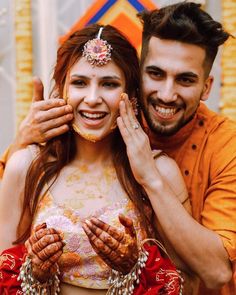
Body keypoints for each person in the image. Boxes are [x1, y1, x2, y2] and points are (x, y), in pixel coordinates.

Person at [0, 24, 190, 294]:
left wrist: (135, 266)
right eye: (79, 83)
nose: (92, 99)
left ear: (132, 96)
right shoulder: (26, 165)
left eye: (109, 84)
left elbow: (187, 284)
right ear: (61, 90)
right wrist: (36, 272)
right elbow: (3, 274)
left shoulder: (160, 171)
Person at [137, 2, 235, 295]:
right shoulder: (106, 121)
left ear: (206, 88)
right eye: (155, 74)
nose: (167, 94)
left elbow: (216, 271)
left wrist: (151, 179)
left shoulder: (226, 144)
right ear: (137, 73)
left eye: (185, 79)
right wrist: (27, 140)